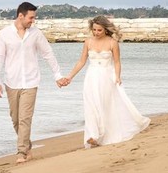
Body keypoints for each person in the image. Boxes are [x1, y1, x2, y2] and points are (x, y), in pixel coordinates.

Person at [0, 1, 65, 164]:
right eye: (31, 17)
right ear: (21, 15)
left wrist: (57, 75)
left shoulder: (36, 34)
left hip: (31, 82)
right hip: (12, 82)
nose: (33, 21)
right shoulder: (4, 34)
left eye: (34, 18)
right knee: (16, 119)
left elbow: (48, 54)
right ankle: (28, 145)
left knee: (25, 118)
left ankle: (21, 152)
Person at [62, 14, 150, 148]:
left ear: (105, 30)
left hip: (106, 77)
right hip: (91, 77)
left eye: (99, 30)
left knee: (104, 106)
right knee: (91, 106)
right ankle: (93, 136)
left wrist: (118, 77)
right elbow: (81, 61)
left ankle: (104, 135)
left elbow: (117, 62)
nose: (96, 33)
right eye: (94, 30)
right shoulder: (88, 42)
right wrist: (70, 76)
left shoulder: (112, 43)